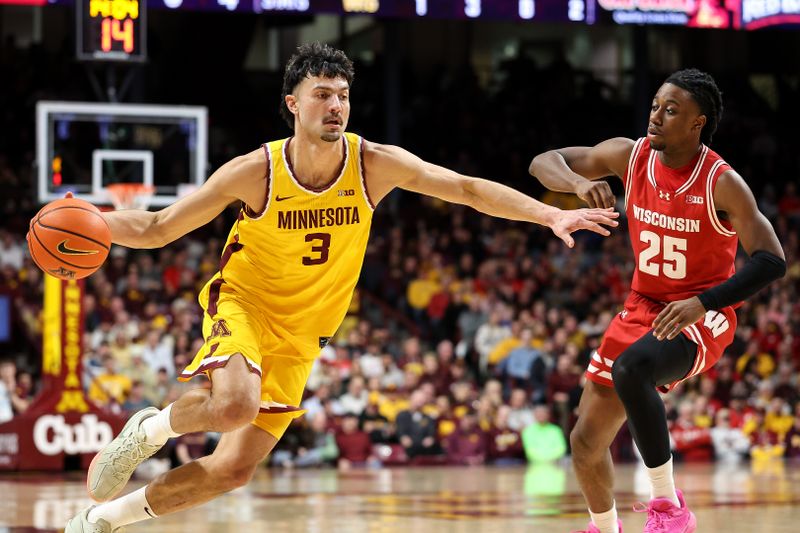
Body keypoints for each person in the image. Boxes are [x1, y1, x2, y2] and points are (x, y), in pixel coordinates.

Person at [63, 42, 618, 532]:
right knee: (233, 406)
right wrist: (89, 221)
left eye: (344, 95)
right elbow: (160, 227)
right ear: (293, 104)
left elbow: (467, 188)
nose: (336, 106)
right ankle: (151, 428)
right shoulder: (254, 171)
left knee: (233, 470)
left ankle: (103, 520)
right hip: (246, 303)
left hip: (305, 336)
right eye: (323, 94)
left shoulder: (372, 163)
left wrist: (549, 216)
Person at [530, 68, 785, 533]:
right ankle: (605, 528)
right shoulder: (629, 155)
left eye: (672, 110)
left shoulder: (721, 182)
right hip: (642, 304)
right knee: (584, 442)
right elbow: (543, 160)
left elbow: (771, 261)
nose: (657, 116)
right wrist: (576, 184)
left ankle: (669, 507)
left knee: (633, 369)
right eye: (655, 106)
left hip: (701, 313)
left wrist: (705, 303)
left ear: (697, 123)